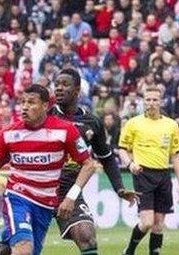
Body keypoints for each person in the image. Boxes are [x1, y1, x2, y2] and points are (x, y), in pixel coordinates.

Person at [0, 84, 98, 255]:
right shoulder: (8, 134)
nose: (25, 106)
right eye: (22, 102)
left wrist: (70, 197)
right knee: (24, 250)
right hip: (18, 197)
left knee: (23, 252)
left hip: (45, 204)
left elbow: (89, 164)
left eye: (31, 102)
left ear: (45, 106)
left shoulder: (65, 131)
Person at [48, 68, 140, 255]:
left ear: (77, 90)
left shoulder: (92, 122)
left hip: (68, 189)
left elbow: (106, 159)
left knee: (86, 235)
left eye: (65, 84)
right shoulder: (45, 116)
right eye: (56, 84)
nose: (58, 88)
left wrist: (119, 189)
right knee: (21, 246)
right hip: (39, 186)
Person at [118, 86, 179, 255]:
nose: (151, 103)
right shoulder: (133, 123)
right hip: (143, 174)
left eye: (154, 100)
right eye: (148, 100)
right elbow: (122, 149)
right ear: (143, 102)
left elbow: (175, 156)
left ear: (161, 102)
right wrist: (130, 165)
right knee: (146, 222)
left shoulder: (171, 125)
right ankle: (129, 250)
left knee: (158, 224)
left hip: (164, 175)